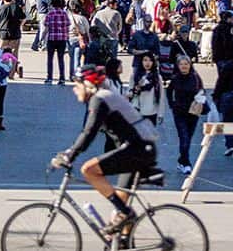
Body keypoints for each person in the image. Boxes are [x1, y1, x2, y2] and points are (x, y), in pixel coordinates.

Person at [50, 64, 159, 234]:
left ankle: (126, 215)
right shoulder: (104, 96)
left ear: (87, 84)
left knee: (89, 170)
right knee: (120, 207)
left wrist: (70, 155)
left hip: (137, 150)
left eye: (77, 85)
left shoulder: (100, 99)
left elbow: (89, 132)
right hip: (141, 148)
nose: (74, 90)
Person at [166, 55, 204, 174]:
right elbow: (169, 91)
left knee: (188, 138)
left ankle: (181, 160)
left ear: (190, 65)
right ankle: (186, 163)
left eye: (186, 64)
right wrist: (171, 104)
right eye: (181, 64)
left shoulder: (195, 77)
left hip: (193, 112)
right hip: (179, 113)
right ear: (178, 66)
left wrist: (200, 100)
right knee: (184, 138)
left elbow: (201, 91)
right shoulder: (175, 78)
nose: (184, 66)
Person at [128, 53, 165, 125]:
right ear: (141, 61)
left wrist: (160, 113)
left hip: (152, 111)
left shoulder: (157, 77)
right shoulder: (135, 75)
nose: (147, 63)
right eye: (145, 60)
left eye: (150, 60)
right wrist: (134, 91)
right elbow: (130, 91)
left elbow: (161, 96)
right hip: (137, 110)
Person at [43, 0, 71, 84]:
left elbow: (46, 27)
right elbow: (67, 25)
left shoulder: (50, 14)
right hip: (62, 39)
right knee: (61, 58)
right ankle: (62, 78)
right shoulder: (64, 14)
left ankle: (49, 77)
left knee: (50, 59)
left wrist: (42, 38)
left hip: (52, 38)